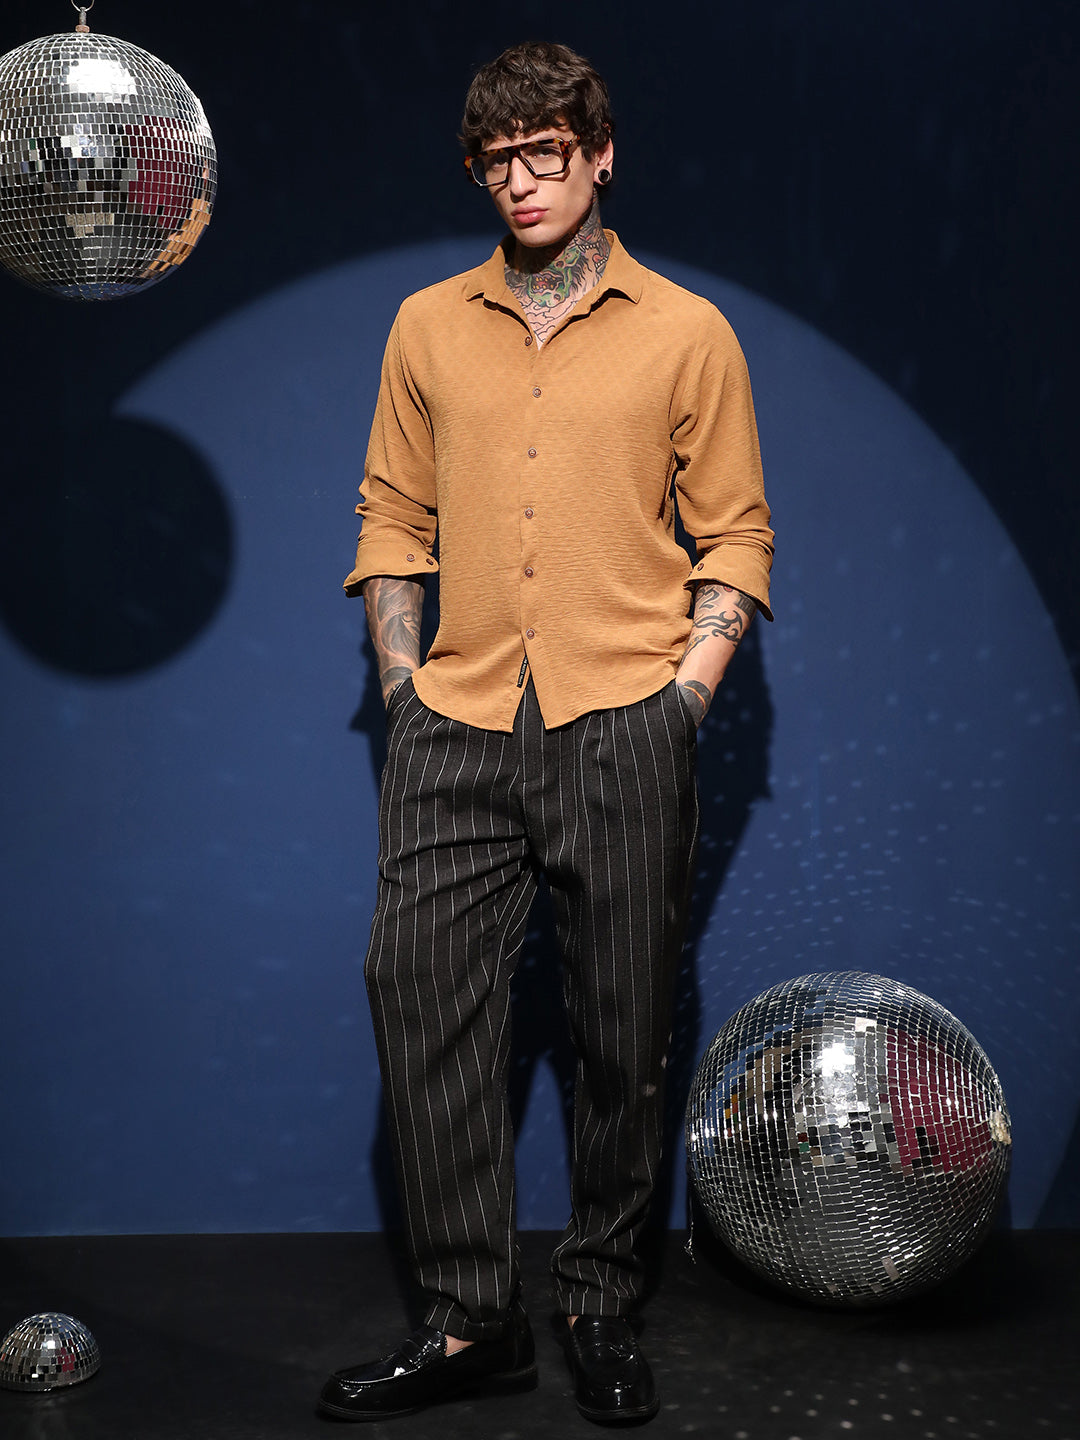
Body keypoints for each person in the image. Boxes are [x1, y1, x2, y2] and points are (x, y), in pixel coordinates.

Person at [318, 40, 773, 1427]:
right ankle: (472, 1320)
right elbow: (392, 514)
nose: (521, 181)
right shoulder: (425, 325)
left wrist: (682, 701)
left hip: (624, 716)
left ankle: (599, 1301)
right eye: (497, 161)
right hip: (456, 717)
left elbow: (736, 536)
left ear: (599, 154)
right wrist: (404, 687)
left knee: (621, 1025)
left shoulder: (688, 331)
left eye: (545, 153)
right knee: (418, 994)